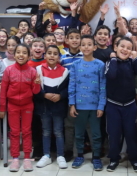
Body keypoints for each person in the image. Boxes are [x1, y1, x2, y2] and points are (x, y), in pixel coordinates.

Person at [105, 36, 137, 172]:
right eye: (122, 46)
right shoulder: (110, 61)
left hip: (130, 104)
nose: (125, 50)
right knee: (114, 134)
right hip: (113, 104)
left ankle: (134, 159)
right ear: (115, 48)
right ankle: (113, 159)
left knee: (131, 133)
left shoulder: (132, 62)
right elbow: (111, 75)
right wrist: (113, 58)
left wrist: (135, 58)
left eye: (129, 48)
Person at [0, 44, 41, 172]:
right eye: (18, 52)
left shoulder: (33, 71)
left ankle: (27, 158)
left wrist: (37, 84)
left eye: (24, 53)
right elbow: (3, 90)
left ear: (29, 56)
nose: (21, 55)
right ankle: (15, 158)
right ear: (14, 54)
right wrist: (2, 108)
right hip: (12, 105)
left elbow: (36, 92)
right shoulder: (9, 70)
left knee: (27, 131)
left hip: (28, 105)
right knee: (14, 132)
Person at [68, 35, 106, 171]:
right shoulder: (75, 65)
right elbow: (71, 85)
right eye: (83, 45)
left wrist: (101, 106)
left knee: (96, 134)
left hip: (95, 106)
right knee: (79, 133)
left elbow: (103, 86)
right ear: (79, 47)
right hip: (79, 106)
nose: (86, 47)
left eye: (89, 44)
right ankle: (79, 156)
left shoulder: (100, 65)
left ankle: (96, 157)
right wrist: (72, 104)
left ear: (94, 47)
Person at [35, 45, 69, 169]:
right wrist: (44, 95)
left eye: (55, 54)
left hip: (58, 107)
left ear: (59, 57)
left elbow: (67, 89)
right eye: (49, 53)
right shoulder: (38, 70)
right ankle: (46, 155)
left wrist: (60, 96)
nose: (52, 56)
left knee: (59, 132)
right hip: (44, 107)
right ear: (45, 55)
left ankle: (60, 155)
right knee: (46, 131)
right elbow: (35, 89)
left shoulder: (64, 71)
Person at [60, 28, 83, 162]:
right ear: (66, 40)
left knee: (84, 125)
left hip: (83, 95)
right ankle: (68, 150)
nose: (74, 40)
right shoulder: (62, 57)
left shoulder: (85, 56)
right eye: (71, 37)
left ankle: (82, 150)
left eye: (77, 37)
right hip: (67, 96)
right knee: (69, 125)